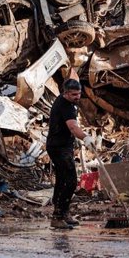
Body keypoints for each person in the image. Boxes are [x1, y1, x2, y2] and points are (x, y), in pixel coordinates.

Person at [46, 78, 94, 229]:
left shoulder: (65, 102)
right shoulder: (65, 106)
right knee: (70, 181)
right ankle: (58, 217)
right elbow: (73, 127)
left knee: (62, 180)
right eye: (74, 94)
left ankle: (63, 213)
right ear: (65, 93)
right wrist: (85, 137)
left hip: (60, 146)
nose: (77, 97)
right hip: (59, 148)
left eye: (79, 93)